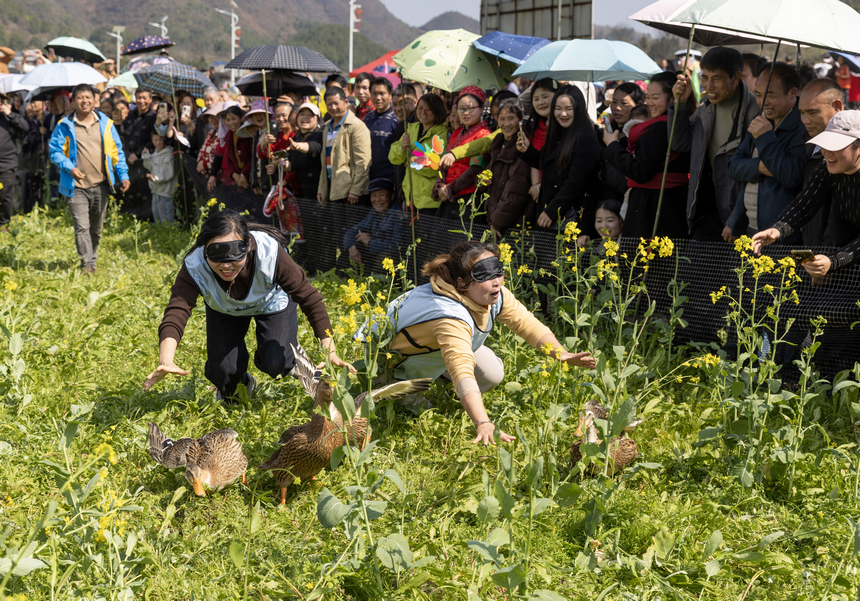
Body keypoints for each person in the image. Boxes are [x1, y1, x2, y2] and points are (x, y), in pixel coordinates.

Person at [362, 241, 595, 445]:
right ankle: (386, 381)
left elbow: (527, 324)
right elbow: (461, 368)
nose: (496, 282)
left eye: (498, 272)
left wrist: (560, 354)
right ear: (462, 283)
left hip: (436, 350)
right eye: (485, 276)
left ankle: (449, 388)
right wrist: (483, 422)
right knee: (424, 410)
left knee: (492, 373)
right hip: (393, 358)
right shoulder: (448, 316)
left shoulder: (495, 295)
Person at [143, 210, 352, 400]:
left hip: (271, 303)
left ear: (248, 246)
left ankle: (293, 353)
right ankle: (245, 383)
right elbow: (177, 310)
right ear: (204, 250)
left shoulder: (270, 252)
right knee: (223, 376)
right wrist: (166, 360)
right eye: (217, 256)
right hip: (225, 310)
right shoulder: (195, 264)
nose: (226, 265)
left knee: (275, 362)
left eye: (234, 255)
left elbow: (310, 298)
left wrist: (330, 350)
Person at [752, 111, 860, 278]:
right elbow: (803, 206)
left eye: (836, 145)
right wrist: (777, 230)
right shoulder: (827, 169)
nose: (827, 152)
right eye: (825, 144)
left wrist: (834, 262)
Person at [670, 47, 759, 241]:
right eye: (705, 78)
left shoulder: (755, 114)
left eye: (716, 79)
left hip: (739, 212)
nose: (708, 86)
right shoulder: (705, 109)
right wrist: (680, 104)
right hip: (707, 206)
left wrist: (737, 218)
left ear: (735, 78)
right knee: (695, 267)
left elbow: (757, 174)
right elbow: (679, 143)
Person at [48, 84, 130, 273]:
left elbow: (117, 152)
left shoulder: (106, 124)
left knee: (96, 228)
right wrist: (70, 168)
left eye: (88, 97)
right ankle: (87, 264)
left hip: (101, 184)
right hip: (75, 186)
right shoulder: (65, 125)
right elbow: (54, 151)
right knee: (81, 226)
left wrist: (123, 175)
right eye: (80, 98)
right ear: (73, 101)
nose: (84, 101)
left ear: (95, 100)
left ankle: (91, 259)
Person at [602, 72, 691, 240]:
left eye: (655, 97)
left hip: (653, 205)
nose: (650, 103)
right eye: (648, 97)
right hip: (670, 202)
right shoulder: (680, 123)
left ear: (673, 98)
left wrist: (612, 146)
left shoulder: (659, 128)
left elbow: (640, 171)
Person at [728, 63, 806, 242]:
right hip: (750, 226)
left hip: (782, 232)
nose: (763, 103)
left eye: (770, 95)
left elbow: (791, 176)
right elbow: (733, 166)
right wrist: (760, 167)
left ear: (792, 93)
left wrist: (765, 137)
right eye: (758, 94)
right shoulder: (760, 120)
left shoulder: (802, 126)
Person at [516, 85, 602, 229]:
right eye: (558, 108)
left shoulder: (586, 138)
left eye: (569, 108)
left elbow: (575, 182)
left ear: (579, 108)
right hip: (550, 210)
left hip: (569, 217)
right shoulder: (558, 133)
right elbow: (547, 164)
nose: (563, 114)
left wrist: (552, 211)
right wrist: (527, 150)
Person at [797, 78, 843, 245]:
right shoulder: (811, 144)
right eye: (801, 112)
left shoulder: (849, 154)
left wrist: (829, 256)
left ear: (837, 107)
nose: (805, 120)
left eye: (812, 112)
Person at [436, 86, 492, 220]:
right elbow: (443, 163)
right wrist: (439, 185)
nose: (465, 113)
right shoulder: (456, 133)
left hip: (469, 197)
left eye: (470, 109)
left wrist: (450, 189)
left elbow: (475, 169)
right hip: (449, 195)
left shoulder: (483, 134)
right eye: (461, 108)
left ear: (481, 108)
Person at [388, 94, 448, 214]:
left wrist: (409, 158)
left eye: (428, 109)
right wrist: (402, 149)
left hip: (431, 200)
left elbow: (433, 167)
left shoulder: (442, 134)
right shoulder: (412, 128)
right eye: (420, 108)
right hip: (411, 198)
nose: (423, 112)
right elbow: (393, 157)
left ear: (437, 110)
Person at [482, 100, 533, 235]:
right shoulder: (499, 142)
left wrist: (497, 223)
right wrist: (481, 181)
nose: (506, 124)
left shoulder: (523, 145)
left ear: (521, 118)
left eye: (511, 118)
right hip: (495, 219)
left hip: (513, 225)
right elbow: (488, 172)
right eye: (502, 119)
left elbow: (516, 191)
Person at [317, 86, 371, 205]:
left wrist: (356, 189)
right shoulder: (326, 127)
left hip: (351, 193)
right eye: (329, 104)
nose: (333, 107)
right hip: (334, 189)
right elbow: (324, 163)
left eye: (336, 103)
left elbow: (363, 162)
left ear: (346, 102)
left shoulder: (357, 126)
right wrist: (322, 189)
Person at [343, 178, 405, 267]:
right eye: (374, 195)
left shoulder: (398, 215)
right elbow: (352, 231)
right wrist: (352, 247)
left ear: (392, 196)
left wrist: (370, 242)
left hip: (392, 261)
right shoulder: (374, 212)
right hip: (374, 254)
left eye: (381, 195)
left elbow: (397, 247)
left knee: (385, 258)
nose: (377, 199)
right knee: (347, 255)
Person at [362, 76, 398, 187]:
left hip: (391, 180)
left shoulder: (397, 119)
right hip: (369, 178)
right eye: (374, 93)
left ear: (390, 95)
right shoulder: (367, 119)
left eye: (382, 93)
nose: (378, 98)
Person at [0, 94, 29, 229]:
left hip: (7, 162)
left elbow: (25, 127)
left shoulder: (10, 116)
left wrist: (10, 114)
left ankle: (4, 223)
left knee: (5, 194)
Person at [208, 105, 252, 191]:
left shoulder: (248, 134)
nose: (231, 123)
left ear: (241, 118)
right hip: (237, 179)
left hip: (249, 177)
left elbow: (253, 157)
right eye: (227, 120)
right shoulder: (228, 136)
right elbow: (229, 159)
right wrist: (234, 175)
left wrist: (244, 174)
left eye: (234, 119)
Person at [285, 102, 323, 200]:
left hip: (320, 192)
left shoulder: (320, 134)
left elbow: (314, 147)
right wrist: (280, 162)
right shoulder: (296, 138)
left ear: (317, 119)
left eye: (310, 115)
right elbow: (291, 167)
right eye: (302, 114)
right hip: (304, 192)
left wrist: (299, 146)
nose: (305, 117)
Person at [142, 130, 176, 224]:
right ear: (152, 141)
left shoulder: (168, 154)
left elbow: (167, 172)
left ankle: (169, 234)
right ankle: (160, 234)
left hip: (165, 191)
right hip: (155, 189)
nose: (158, 142)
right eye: (155, 140)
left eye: (161, 140)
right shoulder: (155, 152)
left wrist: (155, 178)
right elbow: (150, 166)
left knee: (166, 216)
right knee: (157, 215)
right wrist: (146, 156)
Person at [123, 89, 157, 166]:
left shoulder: (153, 117)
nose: (141, 101)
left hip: (144, 160)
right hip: (127, 157)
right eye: (139, 98)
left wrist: (137, 154)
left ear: (150, 99)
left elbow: (154, 140)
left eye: (144, 98)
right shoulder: (131, 114)